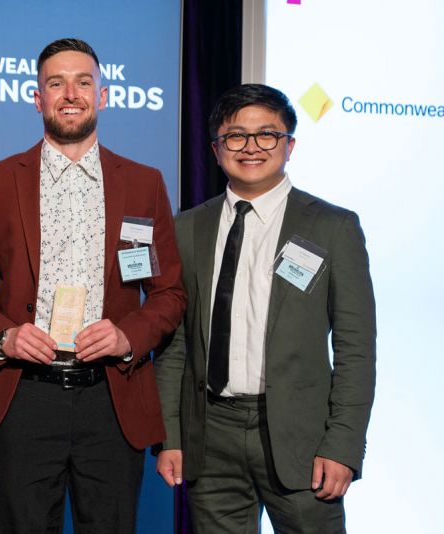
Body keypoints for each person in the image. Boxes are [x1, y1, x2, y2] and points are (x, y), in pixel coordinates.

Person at [0, 38, 187, 533]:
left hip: (111, 395)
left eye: (84, 82)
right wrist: (4, 337)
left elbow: (168, 293)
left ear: (102, 96)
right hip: (23, 396)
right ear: (37, 98)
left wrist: (130, 337)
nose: (71, 93)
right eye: (55, 83)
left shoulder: (144, 183)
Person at [155, 83, 376, 533]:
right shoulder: (187, 228)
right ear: (217, 149)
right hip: (210, 436)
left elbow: (356, 349)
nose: (251, 147)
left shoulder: (333, 227)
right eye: (236, 136)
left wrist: (344, 445)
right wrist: (170, 436)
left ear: (289, 145)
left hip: (303, 440)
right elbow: (176, 345)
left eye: (267, 135)